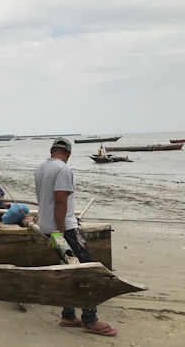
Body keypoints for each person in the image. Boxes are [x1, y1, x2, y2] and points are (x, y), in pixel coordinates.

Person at [35, 138, 118, 337]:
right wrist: (62, 230)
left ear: (51, 150)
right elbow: (60, 201)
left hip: (46, 227)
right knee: (88, 269)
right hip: (65, 229)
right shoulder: (63, 170)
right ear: (69, 155)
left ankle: (68, 315)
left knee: (68, 268)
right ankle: (90, 319)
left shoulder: (41, 168)